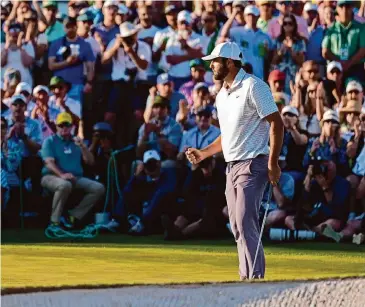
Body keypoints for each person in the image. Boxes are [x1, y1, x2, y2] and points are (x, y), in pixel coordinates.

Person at [186, 42, 284, 280]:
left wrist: (273, 162)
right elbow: (227, 135)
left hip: (254, 163)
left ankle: (254, 279)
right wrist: (204, 153)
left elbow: (277, 123)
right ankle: (246, 277)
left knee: (244, 220)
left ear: (230, 62)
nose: (211, 65)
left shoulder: (253, 86)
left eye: (216, 61)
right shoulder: (221, 96)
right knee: (237, 227)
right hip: (231, 167)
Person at [41, 112, 105, 234]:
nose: (64, 128)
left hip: (75, 177)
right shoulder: (50, 141)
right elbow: (48, 162)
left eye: (67, 125)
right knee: (65, 185)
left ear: (71, 126)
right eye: (61, 125)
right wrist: (62, 175)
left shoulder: (76, 142)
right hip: (51, 176)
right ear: (56, 126)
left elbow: (90, 162)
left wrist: (83, 147)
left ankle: (73, 216)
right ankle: (54, 222)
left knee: (98, 188)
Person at [161, 157, 226, 240]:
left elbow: (218, 198)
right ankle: (174, 228)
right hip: (198, 208)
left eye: (207, 166)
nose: (206, 170)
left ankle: (180, 234)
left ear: (213, 163)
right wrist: (193, 172)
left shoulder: (220, 175)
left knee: (205, 219)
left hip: (214, 213)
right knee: (186, 213)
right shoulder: (197, 174)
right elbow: (187, 192)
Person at [285, 160, 350, 238]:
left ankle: (307, 234)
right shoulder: (314, 182)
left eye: (328, 169)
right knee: (289, 219)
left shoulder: (342, 184)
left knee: (331, 223)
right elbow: (302, 204)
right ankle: (310, 234)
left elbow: (335, 210)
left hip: (329, 218)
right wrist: (308, 177)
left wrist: (324, 186)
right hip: (312, 218)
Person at [119, 150, 177, 234]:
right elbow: (126, 192)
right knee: (126, 193)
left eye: (154, 162)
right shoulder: (141, 179)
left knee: (160, 194)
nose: (151, 166)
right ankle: (117, 221)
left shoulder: (168, 174)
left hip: (160, 215)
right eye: (148, 164)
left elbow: (168, 189)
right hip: (143, 215)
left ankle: (142, 223)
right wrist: (135, 176)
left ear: (159, 163)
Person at [48, 16, 95, 103]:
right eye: (67, 26)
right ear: (64, 27)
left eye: (72, 26)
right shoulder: (56, 43)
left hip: (76, 84)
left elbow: (90, 66)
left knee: (74, 112)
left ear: (76, 26)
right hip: (58, 85)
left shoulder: (85, 44)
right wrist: (67, 62)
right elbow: (51, 65)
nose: (70, 29)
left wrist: (89, 82)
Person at [220, 5, 272, 80]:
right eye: (248, 15)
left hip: (259, 76)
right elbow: (223, 34)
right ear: (244, 17)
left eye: (253, 16)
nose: (251, 18)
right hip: (242, 76)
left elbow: (269, 58)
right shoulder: (237, 32)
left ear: (258, 17)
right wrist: (233, 15)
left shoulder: (265, 36)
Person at [322, 0, 365, 84]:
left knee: (354, 91)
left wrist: (348, 63)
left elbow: (363, 50)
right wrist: (339, 62)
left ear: (352, 8)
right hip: (335, 69)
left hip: (355, 68)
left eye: (348, 6)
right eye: (341, 6)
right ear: (337, 9)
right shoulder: (331, 29)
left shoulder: (361, 28)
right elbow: (325, 51)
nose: (344, 10)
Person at [164, 10, 205, 90]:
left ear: (191, 23)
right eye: (181, 23)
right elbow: (170, 60)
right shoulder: (172, 39)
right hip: (174, 78)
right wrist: (192, 55)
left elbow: (201, 56)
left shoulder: (199, 38)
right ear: (178, 25)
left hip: (191, 79)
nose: (184, 26)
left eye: (186, 23)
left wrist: (185, 46)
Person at [271, 14, 306, 95]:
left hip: (294, 74)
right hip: (280, 76)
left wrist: (291, 50)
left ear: (294, 25)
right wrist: (281, 52)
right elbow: (273, 61)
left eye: (290, 23)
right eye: (285, 23)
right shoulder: (277, 41)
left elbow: (302, 61)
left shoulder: (300, 42)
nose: (287, 26)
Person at [1, 22, 35, 87]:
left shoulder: (28, 45)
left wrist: (20, 47)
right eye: (12, 30)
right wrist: (6, 47)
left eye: (17, 30)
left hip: (24, 83)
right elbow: (1, 62)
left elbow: (27, 62)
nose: (15, 33)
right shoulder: (2, 46)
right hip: (4, 83)